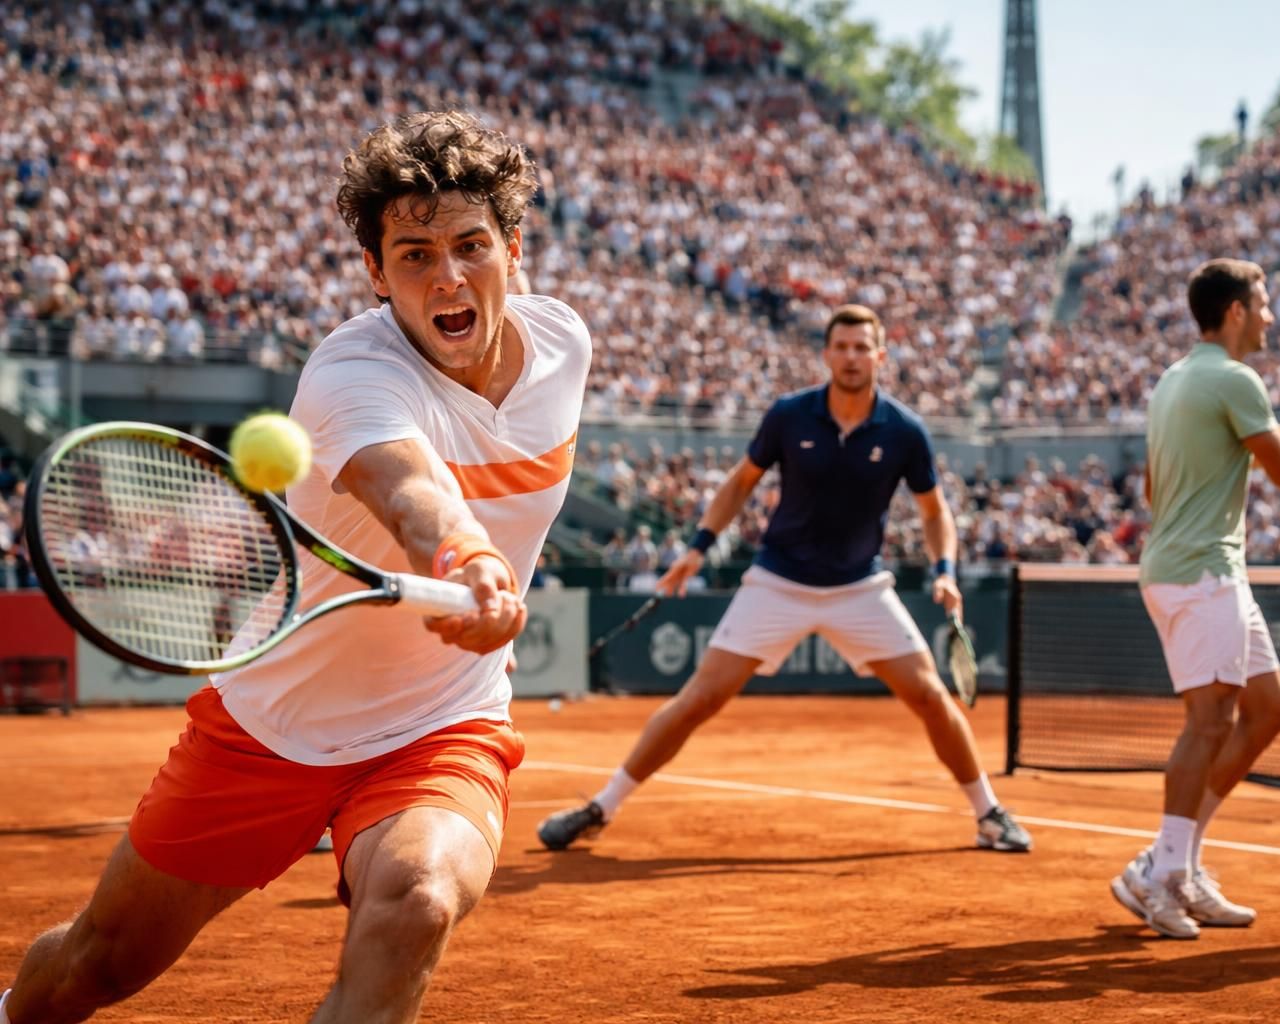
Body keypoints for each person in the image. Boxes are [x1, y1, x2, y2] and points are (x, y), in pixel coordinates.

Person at [0, 110, 590, 1024]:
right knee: (96, 966)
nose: (448, 276)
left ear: (513, 250)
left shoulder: (565, 346)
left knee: (418, 901)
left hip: (442, 721)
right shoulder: (352, 370)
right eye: (415, 255)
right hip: (272, 727)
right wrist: (468, 556)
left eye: (471, 245)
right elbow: (412, 491)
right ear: (377, 272)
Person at [537, 304, 1034, 855]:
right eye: (841, 347)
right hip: (778, 581)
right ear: (827, 354)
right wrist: (697, 549)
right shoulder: (789, 415)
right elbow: (740, 482)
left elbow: (935, 512)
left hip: (859, 587)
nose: (850, 357)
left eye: (861, 348)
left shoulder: (905, 431)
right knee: (700, 698)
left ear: (880, 356)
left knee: (930, 695)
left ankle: (988, 814)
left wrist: (945, 572)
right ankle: (601, 806)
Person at [1110, 259, 1280, 940]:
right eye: (1263, 304)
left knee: (1267, 712)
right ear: (1236, 311)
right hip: (1202, 574)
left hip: (1195, 569)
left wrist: (1279, 439)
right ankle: (1162, 875)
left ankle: (1179, 860)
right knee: (1209, 724)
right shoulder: (1235, 379)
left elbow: (1155, 488)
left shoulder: (1175, 379)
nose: (1270, 317)